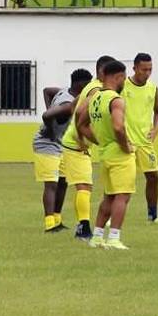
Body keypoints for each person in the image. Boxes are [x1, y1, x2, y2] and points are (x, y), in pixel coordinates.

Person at [78, 59, 133, 250]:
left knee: (109, 196)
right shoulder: (116, 100)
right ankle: (114, 238)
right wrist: (125, 146)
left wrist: (99, 140)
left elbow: (81, 124)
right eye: (124, 78)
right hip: (119, 154)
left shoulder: (95, 98)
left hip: (105, 153)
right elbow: (118, 127)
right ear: (118, 77)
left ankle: (97, 237)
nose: (124, 82)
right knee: (122, 196)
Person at [59, 55, 114, 240]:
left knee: (84, 186)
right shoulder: (96, 90)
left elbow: (74, 106)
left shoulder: (91, 87)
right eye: (113, 74)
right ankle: (83, 227)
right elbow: (80, 112)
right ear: (102, 72)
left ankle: (82, 226)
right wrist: (80, 136)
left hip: (76, 143)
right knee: (84, 186)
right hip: (76, 145)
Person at [33, 68, 92, 232]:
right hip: (47, 143)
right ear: (81, 85)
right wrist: (50, 130)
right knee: (51, 184)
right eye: (87, 85)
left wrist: (50, 106)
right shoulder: (67, 104)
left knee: (63, 181)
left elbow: (47, 91)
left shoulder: (65, 91)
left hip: (61, 144)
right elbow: (46, 115)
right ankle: (49, 223)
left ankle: (57, 219)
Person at [122, 53, 158, 225]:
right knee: (123, 180)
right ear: (134, 68)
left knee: (153, 177)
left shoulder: (153, 89)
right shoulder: (123, 86)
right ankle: (111, 216)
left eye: (150, 69)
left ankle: (153, 215)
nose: (147, 73)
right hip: (126, 141)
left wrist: (155, 130)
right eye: (144, 69)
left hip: (145, 142)